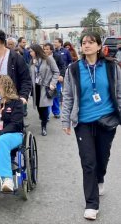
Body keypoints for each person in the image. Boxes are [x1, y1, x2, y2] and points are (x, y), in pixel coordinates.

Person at [62, 31, 121, 220]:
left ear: (98, 46)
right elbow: (68, 96)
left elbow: (119, 92)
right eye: (83, 42)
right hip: (84, 122)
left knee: (102, 158)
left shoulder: (112, 67)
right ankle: (91, 204)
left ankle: (100, 178)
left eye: (90, 42)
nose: (86, 45)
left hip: (107, 120)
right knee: (88, 163)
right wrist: (65, 120)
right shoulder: (73, 68)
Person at [0, 30, 32, 123]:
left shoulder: (16, 58)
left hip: (12, 100)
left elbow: (26, 79)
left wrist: (23, 96)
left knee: (12, 126)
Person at [29, 44, 59, 136]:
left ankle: (44, 126)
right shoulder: (32, 61)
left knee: (44, 107)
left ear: (36, 51)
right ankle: (43, 118)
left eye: (31, 51)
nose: (30, 53)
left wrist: (52, 83)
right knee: (38, 106)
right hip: (36, 87)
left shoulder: (48, 59)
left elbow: (56, 71)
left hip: (45, 87)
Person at [43, 43, 65, 119]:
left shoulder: (57, 56)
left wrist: (61, 75)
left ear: (51, 50)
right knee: (46, 98)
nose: (45, 51)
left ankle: (56, 112)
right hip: (45, 81)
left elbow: (62, 66)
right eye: (44, 49)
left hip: (56, 80)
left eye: (47, 49)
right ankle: (46, 115)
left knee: (55, 96)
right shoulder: (42, 57)